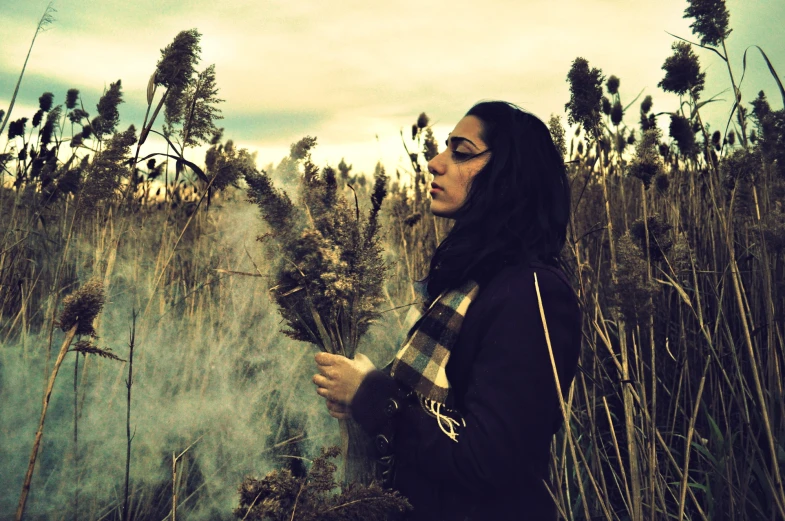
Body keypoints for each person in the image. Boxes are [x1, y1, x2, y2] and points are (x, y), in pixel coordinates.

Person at [312, 101, 582, 520]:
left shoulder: (533, 292)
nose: (436, 163)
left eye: (461, 152)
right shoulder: (471, 281)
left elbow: (491, 461)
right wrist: (362, 394)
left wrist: (372, 394)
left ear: (509, 174)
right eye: (444, 149)